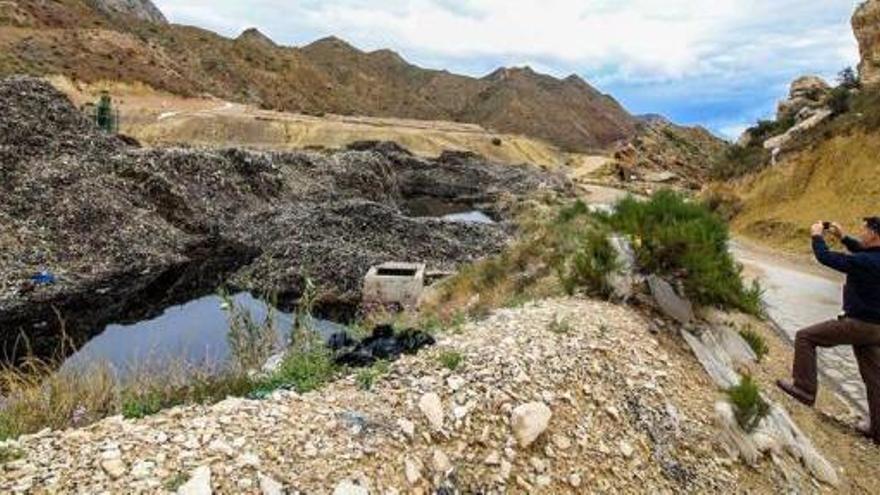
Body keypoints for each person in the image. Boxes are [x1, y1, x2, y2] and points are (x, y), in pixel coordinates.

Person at [777, 217, 880, 445]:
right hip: (876, 328)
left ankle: (804, 389)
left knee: (805, 337)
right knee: (874, 378)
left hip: (859, 324)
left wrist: (816, 236)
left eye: (864, 230)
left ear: (874, 234)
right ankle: (878, 429)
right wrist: (843, 237)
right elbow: (865, 252)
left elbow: (826, 258)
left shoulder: (867, 262)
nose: (861, 233)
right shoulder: (872, 258)